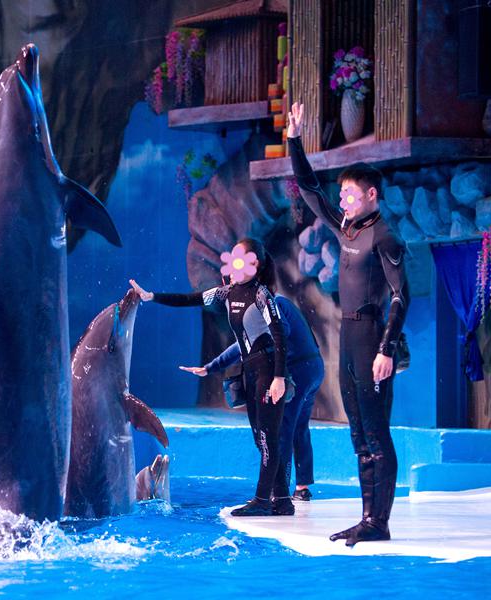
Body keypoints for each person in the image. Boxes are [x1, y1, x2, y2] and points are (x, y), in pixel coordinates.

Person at [286, 102, 410, 546]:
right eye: (342, 196)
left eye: (350, 195)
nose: (342, 201)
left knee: (376, 434)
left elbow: (401, 296)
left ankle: (380, 521)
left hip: (373, 340)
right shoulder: (348, 229)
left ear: (372, 195)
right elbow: (309, 188)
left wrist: (387, 351)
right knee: (358, 435)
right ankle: (367, 519)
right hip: (348, 337)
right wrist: (294, 139)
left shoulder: (384, 237)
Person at [129, 239, 294, 517]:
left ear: (255, 264)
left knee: (268, 438)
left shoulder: (262, 295)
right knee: (261, 438)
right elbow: (189, 300)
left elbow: (279, 335)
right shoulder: (226, 293)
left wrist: (279, 378)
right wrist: (151, 296)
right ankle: (283, 501)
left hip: (268, 370)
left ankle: (263, 500)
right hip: (250, 370)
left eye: (240, 260)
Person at [188, 293, 324, 502]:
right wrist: (212, 366)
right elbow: (245, 344)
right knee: (299, 427)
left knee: (283, 429)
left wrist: (214, 366)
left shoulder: (272, 305)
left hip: (299, 370)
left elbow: (276, 334)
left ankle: (279, 491)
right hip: (313, 367)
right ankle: (302, 487)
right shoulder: (280, 302)